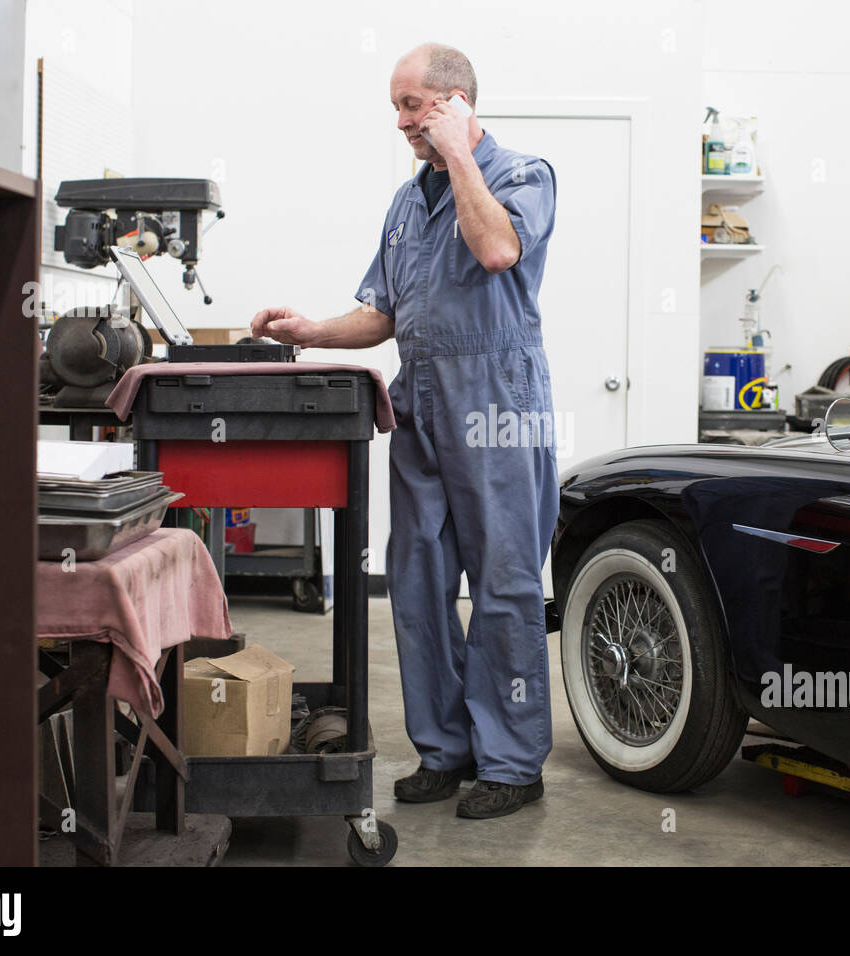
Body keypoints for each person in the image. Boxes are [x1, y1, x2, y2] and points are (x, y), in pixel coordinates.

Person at [250, 43, 558, 820]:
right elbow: (384, 312)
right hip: (419, 405)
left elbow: (495, 249)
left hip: (495, 407)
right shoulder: (405, 203)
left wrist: (460, 157)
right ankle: (445, 752)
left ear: (455, 104)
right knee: (418, 584)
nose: (401, 123)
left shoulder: (522, 176)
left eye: (412, 106)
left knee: (505, 584)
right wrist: (311, 328)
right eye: (397, 107)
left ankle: (513, 762)